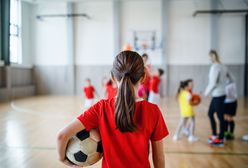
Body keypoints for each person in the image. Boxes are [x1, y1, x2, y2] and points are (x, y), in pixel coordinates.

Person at [57, 51, 169, 168]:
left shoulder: (101, 107)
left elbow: (62, 136)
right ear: (143, 77)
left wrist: (63, 160)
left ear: (113, 78)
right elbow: (159, 157)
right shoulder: (153, 111)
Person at [204, 49, 228, 147]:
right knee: (210, 113)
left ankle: (221, 138)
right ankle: (215, 135)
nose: (209, 59)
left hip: (218, 95)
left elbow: (213, 83)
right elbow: (231, 78)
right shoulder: (223, 66)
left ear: (211, 56)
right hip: (220, 94)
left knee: (220, 116)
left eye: (209, 57)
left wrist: (205, 93)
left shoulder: (215, 67)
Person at [224, 73, 238, 140]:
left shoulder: (232, 83)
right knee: (226, 117)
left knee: (230, 118)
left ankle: (231, 133)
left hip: (232, 102)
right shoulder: (224, 83)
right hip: (225, 102)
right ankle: (226, 133)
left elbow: (233, 95)